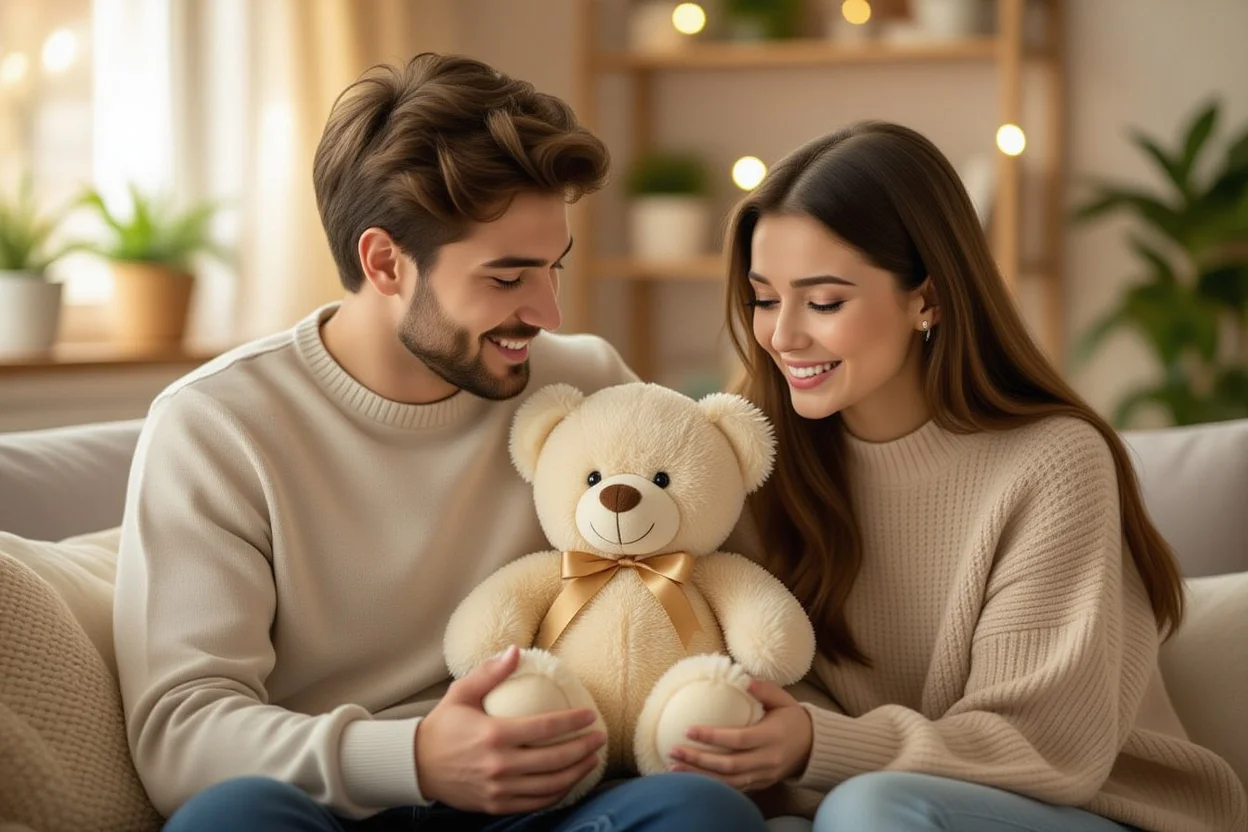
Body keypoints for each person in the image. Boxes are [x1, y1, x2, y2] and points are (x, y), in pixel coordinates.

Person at [113, 53, 765, 832]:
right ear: (386, 263)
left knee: (697, 812)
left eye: (554, 268)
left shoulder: (587, 384)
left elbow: (710, 576)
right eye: (507, 277)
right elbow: (179, 737)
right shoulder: (219, 424)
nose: (549, 312)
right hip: (335, 804)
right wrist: (415, 758)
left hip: (546, 799)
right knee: (230, 821)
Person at [666, 121, 1248, 832]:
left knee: (874, 808)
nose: (783, 335)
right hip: (858, 806)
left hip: (1092, 808)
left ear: (928, 300)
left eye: (823, 302)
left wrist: (823, 746)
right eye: (763, 298)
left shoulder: (1054, 463)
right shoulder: (753, 461)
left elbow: (1043, 744)